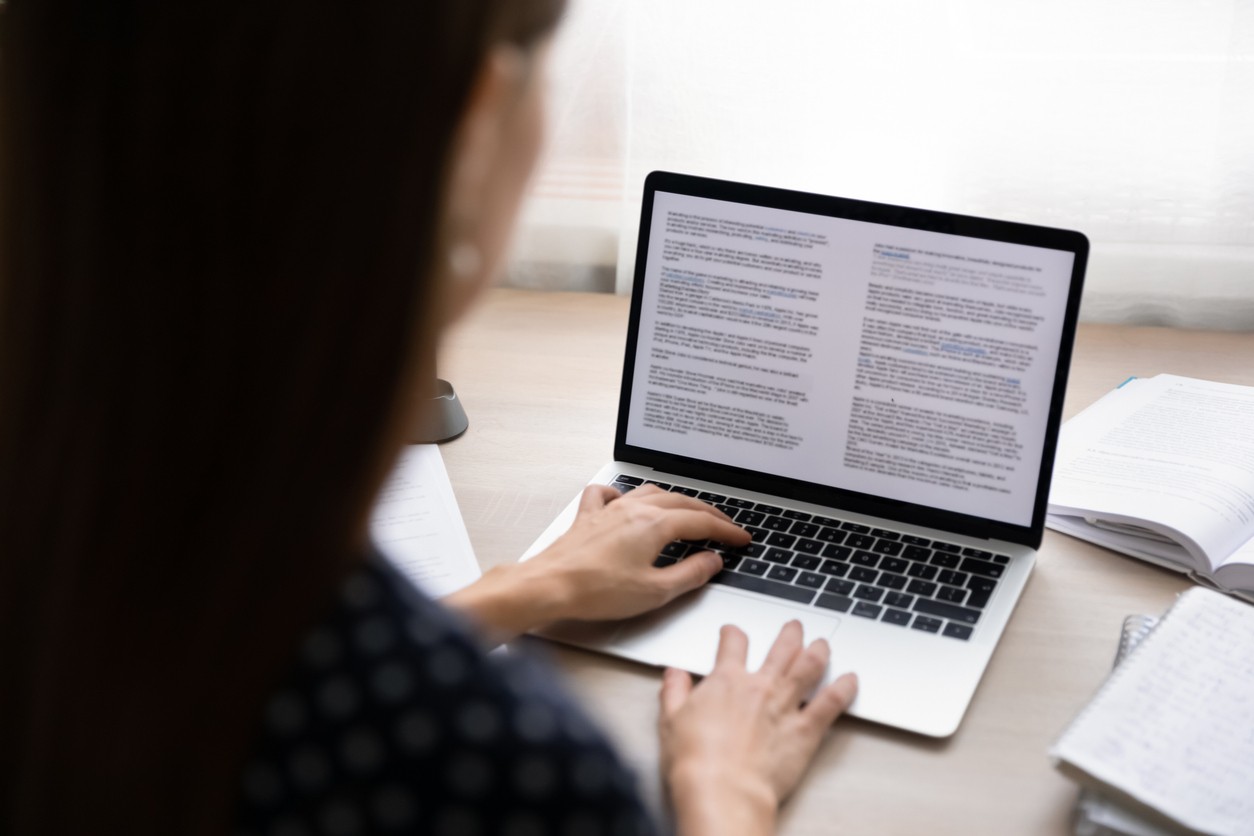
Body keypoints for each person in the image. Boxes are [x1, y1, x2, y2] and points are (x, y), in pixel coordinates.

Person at [0, 1, 859, 834]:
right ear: (478, 123)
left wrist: (531, 587)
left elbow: (227, 671)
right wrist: (727, 794)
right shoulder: (497, 769)